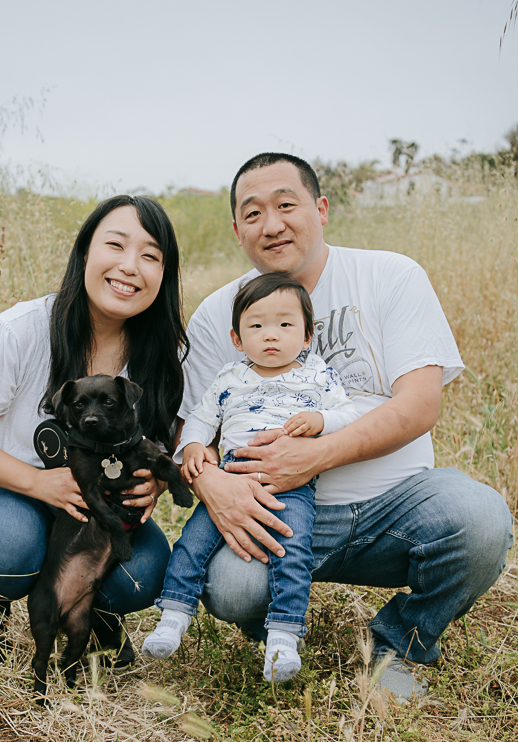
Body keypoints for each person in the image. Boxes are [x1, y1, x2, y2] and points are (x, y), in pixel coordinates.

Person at [178, 152, 514, 702]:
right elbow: (192, 430)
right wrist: (211, 485)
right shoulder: (219, 315)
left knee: (479, 521)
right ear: (238, 230)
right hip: (276, 514)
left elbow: (419, 405)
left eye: (286, 205)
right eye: (253, 213)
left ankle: (398, 645)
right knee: (231, 587)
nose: (272, 224)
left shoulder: (390, 275)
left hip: (394, 503)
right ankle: (278, 638)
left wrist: (319, 454)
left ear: (322, 208)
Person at [0, 195, 187, 660]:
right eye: (116, 245)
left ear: (163, 275)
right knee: (6, 546)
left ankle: (92, 616)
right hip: (5, 494)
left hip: (94, 508)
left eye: (150, 255)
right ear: (85, 251)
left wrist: (153, 484)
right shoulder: (18, 331)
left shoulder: (161, 356)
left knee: (143, 573)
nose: (131, 266)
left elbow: (160, 443)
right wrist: (38, 482)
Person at [141, 272, 361, 681]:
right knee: (194, 541)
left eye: (285, 324)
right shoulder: (231, 377)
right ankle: (173, 615)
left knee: (291, 551)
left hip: (290, 486)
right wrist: (192, 447)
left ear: (308, 335)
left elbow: (351, 414)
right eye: (257, 326)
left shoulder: (317, 374)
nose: (271, 335)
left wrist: (320, 419)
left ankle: (283, 635)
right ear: (238, 339)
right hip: (231, 475)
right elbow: (201, 419)